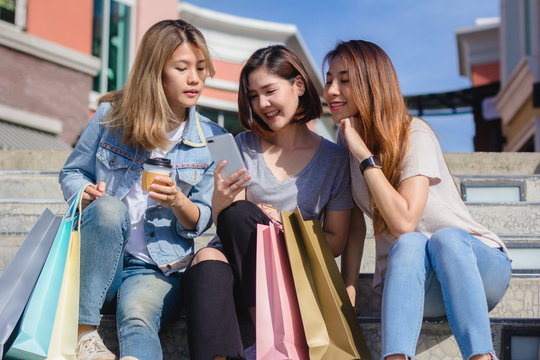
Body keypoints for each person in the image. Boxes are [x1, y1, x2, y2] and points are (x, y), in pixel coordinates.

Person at [323, 39, 512, 360]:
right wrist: (349, 287)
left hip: (477, 270)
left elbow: (404, 221)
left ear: (372, 83)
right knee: (409, 246)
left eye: (344, 80)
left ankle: (482, 357)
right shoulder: (348, 138)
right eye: (328, 80)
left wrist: (365, 157)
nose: (331, 91)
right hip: (415, 282)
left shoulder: (414, 133)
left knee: (445, 239)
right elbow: (355, 222)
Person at [59, 19, 227, 360]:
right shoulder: (110, 114)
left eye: (200, 67)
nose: (195, 78)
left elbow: (204, 220)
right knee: (108, 208)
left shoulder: (219, 140)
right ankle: (84, 334)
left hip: (158, 270)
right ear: (156, 70)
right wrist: (86, 192)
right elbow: (72, 172)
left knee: (137, 315)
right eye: (182, 68)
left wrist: (179, 201)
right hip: (99, 260)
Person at [183, 45, 353, 360]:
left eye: (270, 91)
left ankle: (270, 340)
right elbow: (231, 226)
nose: (262, 104)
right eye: (253, 96)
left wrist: (284, 223)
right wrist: (220, 202)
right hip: (237, 279)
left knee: (241, 215)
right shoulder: (240, 147)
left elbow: (336, 242)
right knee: (209, 255)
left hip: (291, 279)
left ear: (299, 86)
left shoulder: (334, 160)